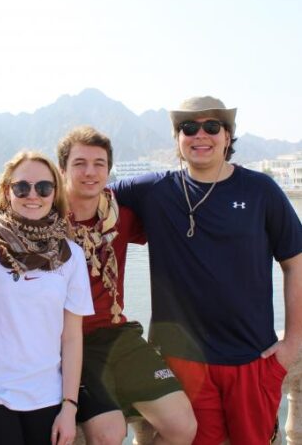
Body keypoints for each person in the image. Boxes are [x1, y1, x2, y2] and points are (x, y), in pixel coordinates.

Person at [112, 96, 302, 444]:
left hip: (252, 358)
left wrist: (293, 341)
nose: (201, 135)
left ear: (227, 137)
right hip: (185, 362)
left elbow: (295, 263)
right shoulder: (154, 190)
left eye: (212, 126)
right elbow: (83, 194)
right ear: (178, 139)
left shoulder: (260, 191)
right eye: (189, 127)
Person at [57, 126, 196, 445]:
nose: (90, 172)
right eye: (79, 163)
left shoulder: (121, 215)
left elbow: (175, 228)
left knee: (182, 426)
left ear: (109, 169)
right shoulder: (46, 220)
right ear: (62, 169)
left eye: (99, 163)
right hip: (71, 341)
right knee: (109, 433)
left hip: (119, 334)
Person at [0, 150, 94, 445]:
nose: (32, 195)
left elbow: (72, 337)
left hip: (45, 394)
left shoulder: (69, 255)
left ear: (55, 192)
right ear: (7, 190)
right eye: (22, 187)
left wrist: (69, 407)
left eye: (44, 187)